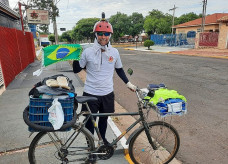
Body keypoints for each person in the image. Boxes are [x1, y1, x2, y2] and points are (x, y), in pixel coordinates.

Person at [73, 12, 136, 145]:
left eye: (106, 34)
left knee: (104, 119)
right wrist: (75, 57)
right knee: (89, 121)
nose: (103, 37)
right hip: (90, 93)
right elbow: (77, 69)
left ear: (110, 35)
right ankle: (90, 145)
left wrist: (128, 83)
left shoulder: (114, 52)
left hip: (107, 93)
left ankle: (103, 139)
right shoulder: (88, 51)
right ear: (95, 35)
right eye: (100, 33)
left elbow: (119, 69)